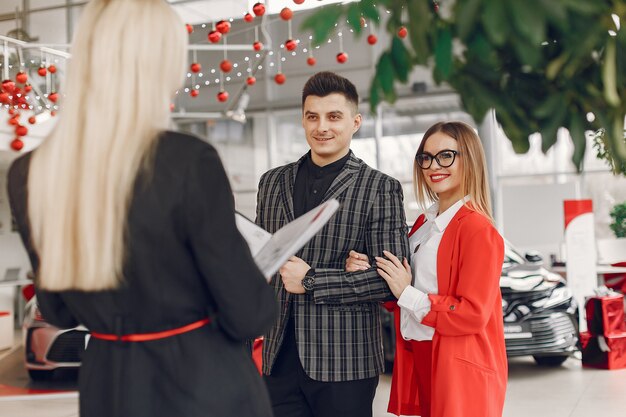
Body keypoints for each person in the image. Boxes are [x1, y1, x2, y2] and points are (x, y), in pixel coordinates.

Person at [7, 1, 276, 416]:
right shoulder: (187, 161)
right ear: (158, 62)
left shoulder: (32, 173)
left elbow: (58, 308)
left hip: (108, 387)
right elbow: (250, 314)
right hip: (203, 389)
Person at [256, 71, 410, 417]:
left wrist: (311, 281)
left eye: (333, 116)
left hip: (345, 362)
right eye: (313, 116)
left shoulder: (379, 188)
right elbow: (261, 263)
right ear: (303, 120)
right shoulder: (271, 182)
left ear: (355, 122)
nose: (322, 126)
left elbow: (391, 282)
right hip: (277, 358)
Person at [346, 121, 507, 417]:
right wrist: (372, 272)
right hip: (421, 356)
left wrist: (404, 291)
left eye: (446, 155)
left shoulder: (477, 230)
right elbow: (405, 294)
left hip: (459, 364)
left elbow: (472, 313)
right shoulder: (422, 225)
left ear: (469, 158)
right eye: (426, 157)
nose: (435, 165)